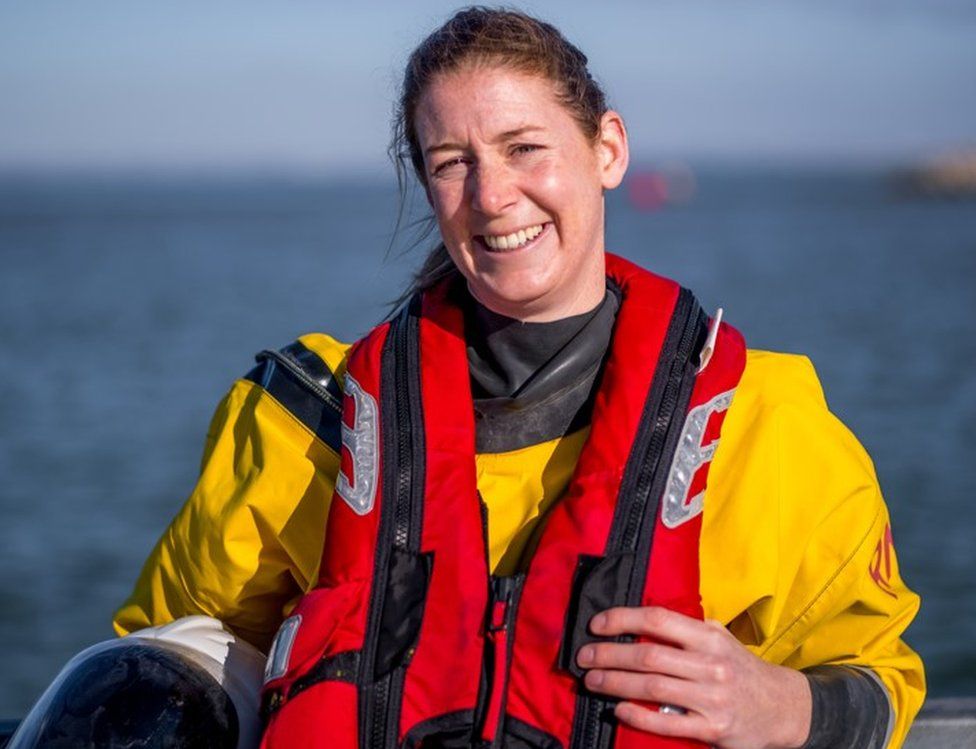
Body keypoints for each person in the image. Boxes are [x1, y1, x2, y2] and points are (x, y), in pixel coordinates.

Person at [93, 7, 921, 749]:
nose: (491, 196)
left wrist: (781, 708)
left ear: (608, 149)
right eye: (451, 162)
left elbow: (883, 678)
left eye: (525, 148)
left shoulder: (762, 424)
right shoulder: (306, 423)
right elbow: (158, 669)